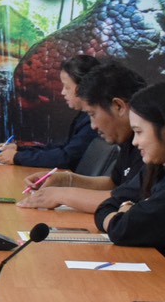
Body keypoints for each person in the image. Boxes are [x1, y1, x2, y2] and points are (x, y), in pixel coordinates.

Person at [91, 82, 165, 272]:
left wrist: (123, 215)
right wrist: (125, 210)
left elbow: (123, 230)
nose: (135, 142)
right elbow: (106, 207)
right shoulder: (154, 168)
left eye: (139, 132)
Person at [19, 60, 145, 213]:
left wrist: (62, 195)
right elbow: (115, 184)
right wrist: (66, 180)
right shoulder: (127, 140)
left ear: (118, 106)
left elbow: (126, 199)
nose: (93, 126)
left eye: (92, 114)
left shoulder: (149, 146)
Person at [0, 54, 101, 167]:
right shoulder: (83, 116)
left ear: (84, 88)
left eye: (67, 87)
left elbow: (66, 158)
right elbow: (63, 149)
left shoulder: (92, 121)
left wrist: (18, 157)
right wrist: (20, 150)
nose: (63, 92)